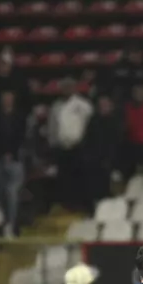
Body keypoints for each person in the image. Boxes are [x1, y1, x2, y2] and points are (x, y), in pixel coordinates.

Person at [0, 90, 26, 238]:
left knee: (11, 192)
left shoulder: (20, 118)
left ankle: (10, 225)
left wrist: (11, 153)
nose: (7, 101)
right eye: (5, 98)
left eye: (10, 98)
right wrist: (1, 154)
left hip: (15, 160)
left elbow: (22, 138)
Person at [48, 78, 94, 211]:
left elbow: (90, 124)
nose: (67, 89)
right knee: (65, 179)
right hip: (62, 147)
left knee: (82, 178)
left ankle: (85, 206)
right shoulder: (56, 106)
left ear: (75, 88)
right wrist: (53, 144)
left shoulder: (83, 105)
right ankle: (68, 205)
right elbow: (52, 127)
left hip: (79, 147)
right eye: (64, 87)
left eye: (70, 87)